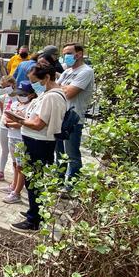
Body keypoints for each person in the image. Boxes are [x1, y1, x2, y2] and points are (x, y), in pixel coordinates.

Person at [6, 64, 67, 231]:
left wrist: (17, 120)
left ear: (46, 78)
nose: (33, 84)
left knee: (34, 181)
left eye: (35, 81)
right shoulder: (47, 94)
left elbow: (39, 124)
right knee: (33, 179)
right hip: (35, 141)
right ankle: (34, 211)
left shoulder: (52, 97)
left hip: (39, 142)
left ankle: (34, 221)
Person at [56, 43, 95, 181]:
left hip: (73, 119)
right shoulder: (67, 72)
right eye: (64, 53)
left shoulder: (86, 71)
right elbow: (53, 89)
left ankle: (72, 185)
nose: (65, 56)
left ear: (78, 54)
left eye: (68, 53)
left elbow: (70, 93)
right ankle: (58, 182)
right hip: (59, 117)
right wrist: (63, 87)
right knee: (59, 154)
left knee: (71, 154)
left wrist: (62, 88)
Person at [1, 81, 37, 204]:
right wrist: (11, 122)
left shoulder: (32, 106)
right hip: (12, 136)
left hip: (22, 138)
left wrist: (13, 122)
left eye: (23, 94)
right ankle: (13, 185)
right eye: (19, 93)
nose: (20, 96)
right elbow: (7, 117)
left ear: (31, 95)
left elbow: (21, 123)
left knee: (21, 166)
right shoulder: (16, 104)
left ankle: (17, 192)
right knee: (15, 164)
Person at [0, 75, 17, 182]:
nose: (4, 88)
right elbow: (3, 112)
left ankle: (16, 177)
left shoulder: (20, 96)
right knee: (4, 150)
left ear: (13, 85)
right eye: (2, 86)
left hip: (15, 127)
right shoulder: (4, 97)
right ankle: (1, 172)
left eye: (7, 86)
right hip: (4, 125)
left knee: (15, 153)